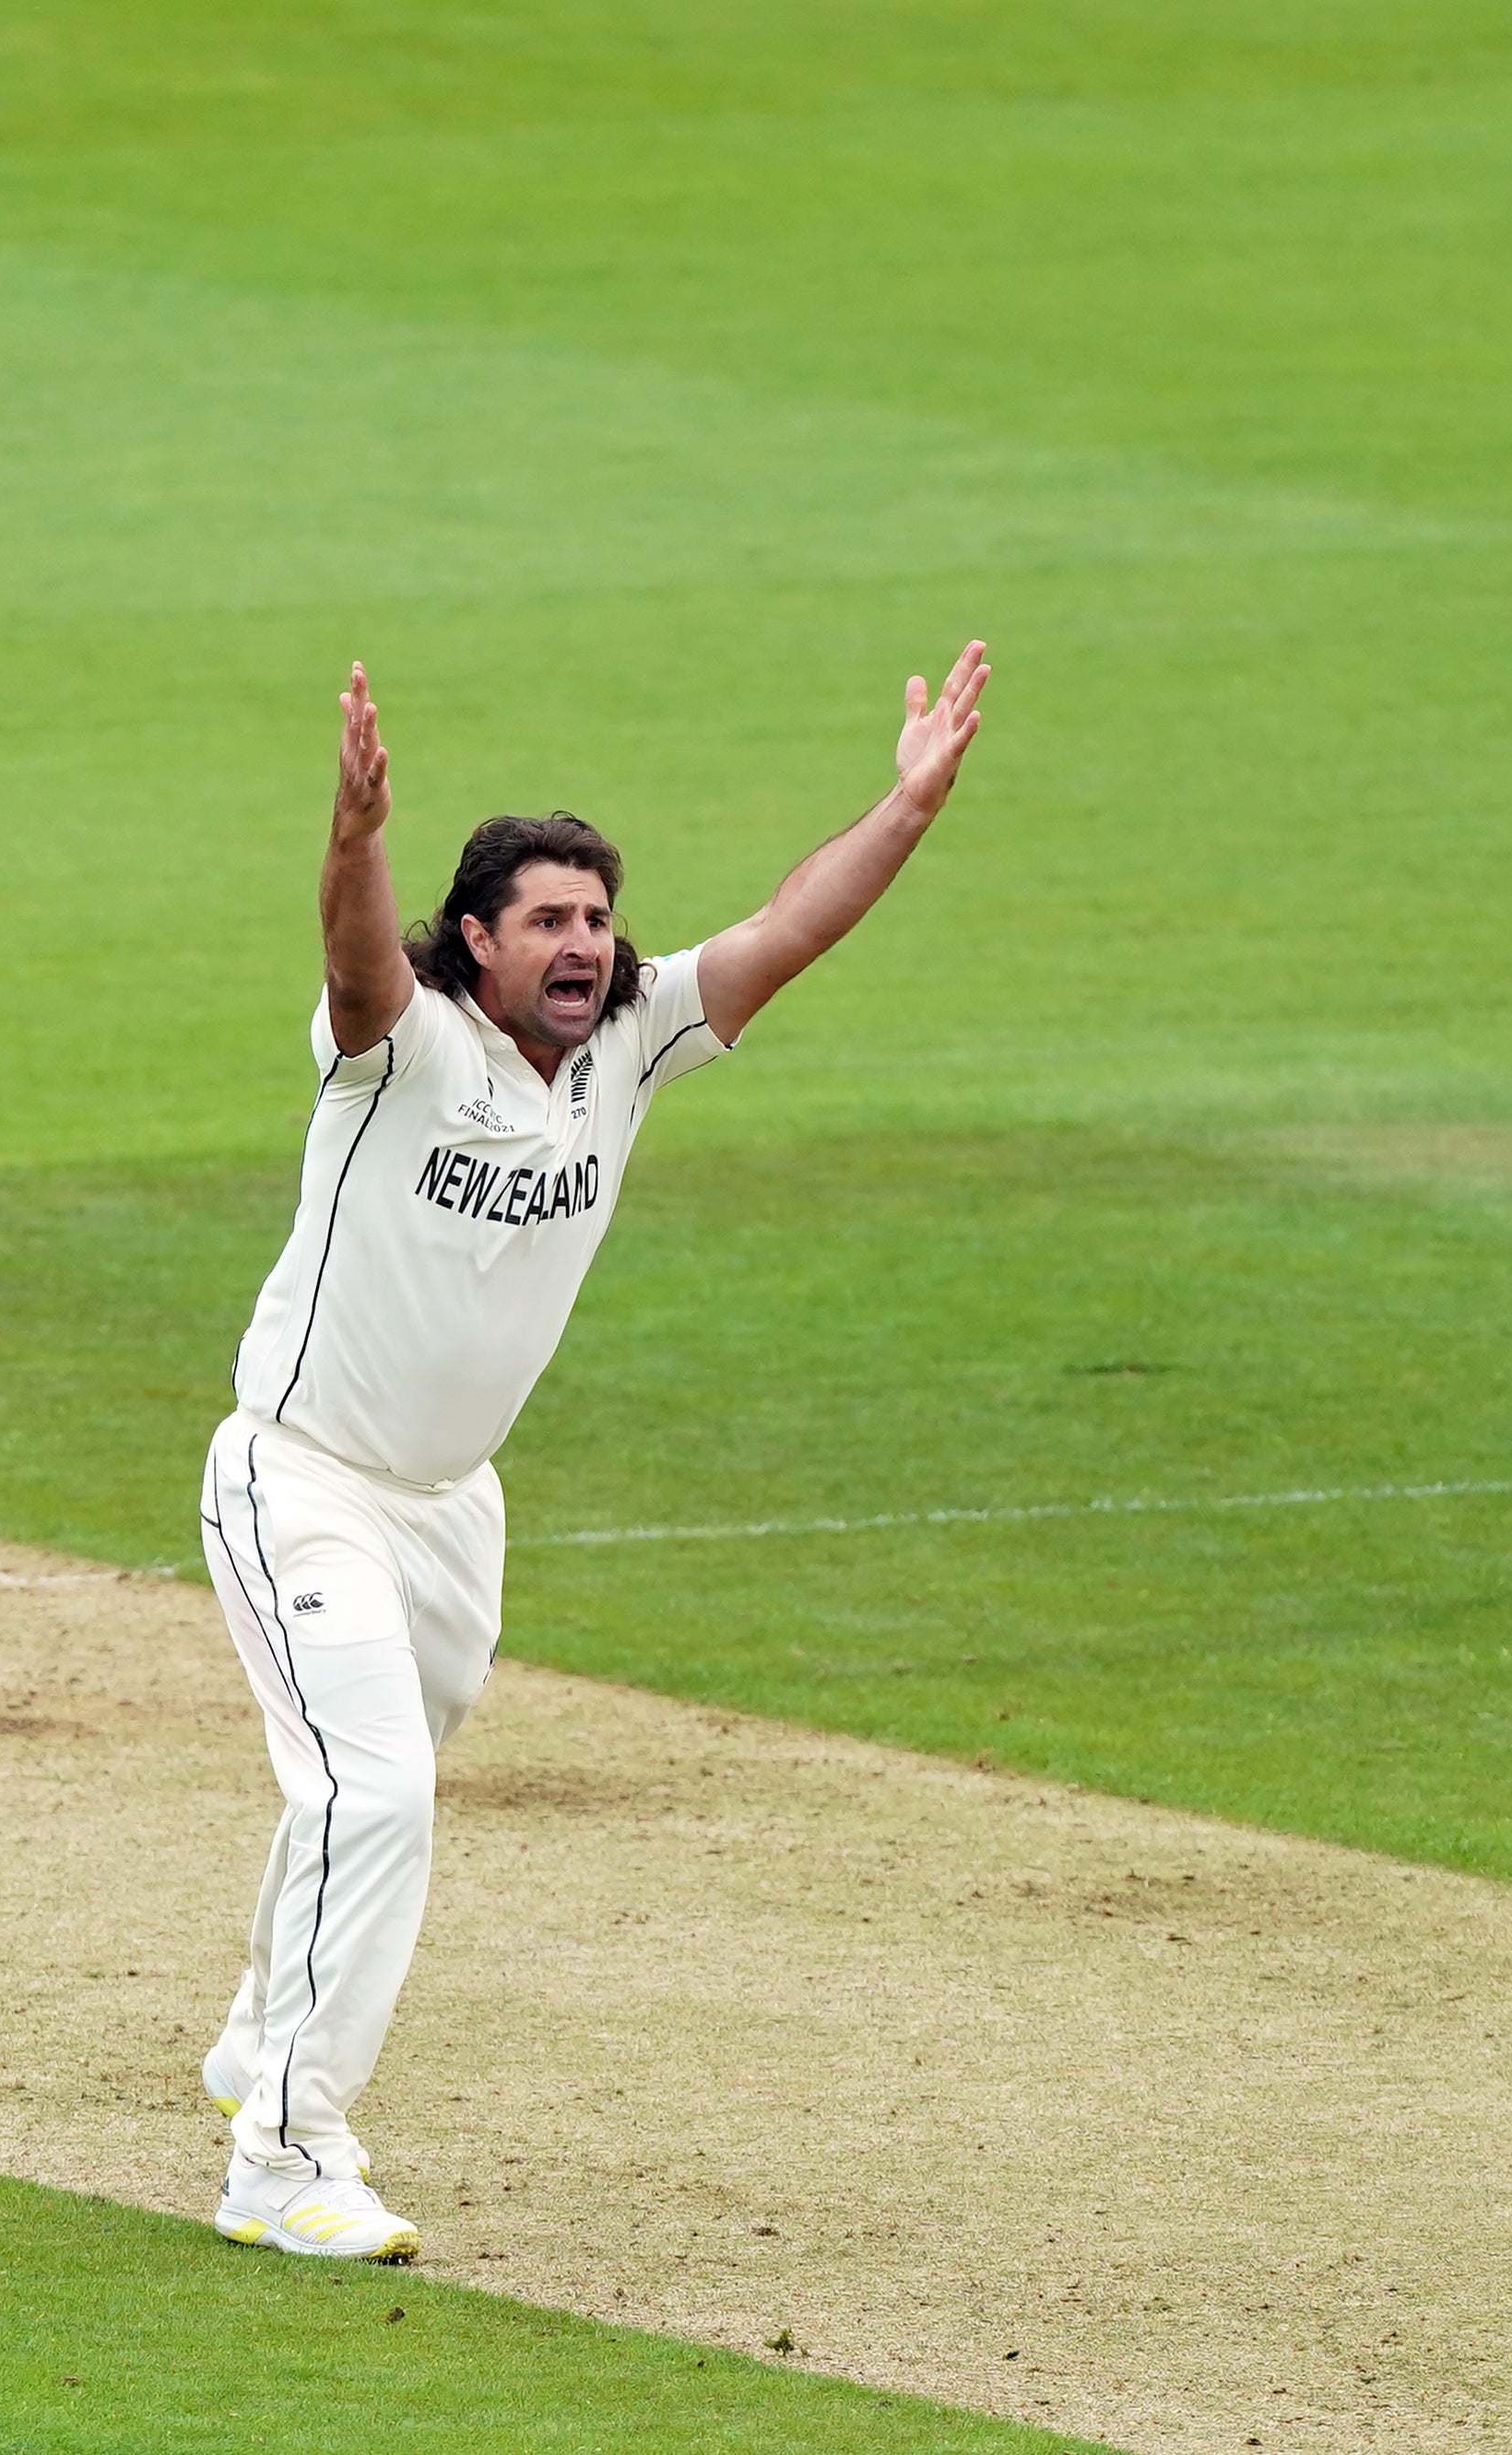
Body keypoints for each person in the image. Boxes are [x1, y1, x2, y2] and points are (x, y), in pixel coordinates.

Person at [198, 643, 993, 2260]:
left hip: (449, 1514)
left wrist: (906, 805)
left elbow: (788, 929)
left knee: (360, 1795)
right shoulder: (401, 1047)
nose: (584, 944)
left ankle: (254, 2042)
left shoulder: (631, 1040)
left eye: (597, 918)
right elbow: (355, 956)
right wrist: (356, 833)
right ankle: (282, 2155)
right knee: (380, 1794)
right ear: (476, 940)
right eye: (547, 920)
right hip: (303, 1480)